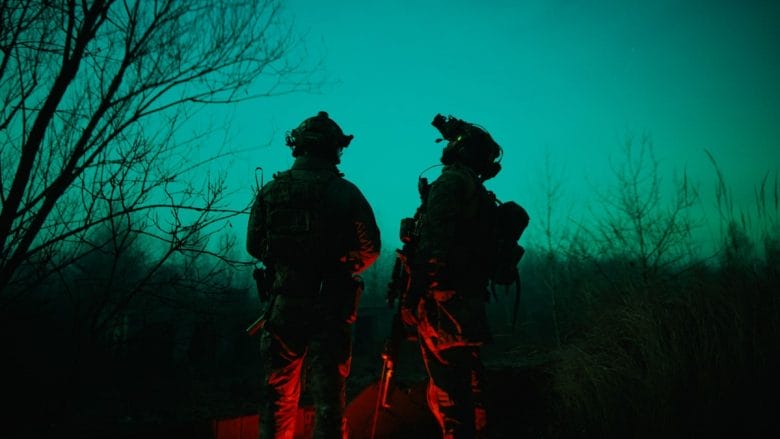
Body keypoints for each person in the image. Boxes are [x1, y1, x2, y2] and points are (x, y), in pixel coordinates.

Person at [246, 111, 381, 438]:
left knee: (277, 395)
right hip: (330, 307)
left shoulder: (270, 191)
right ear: (334, 148)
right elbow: (370, 249)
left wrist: (288, 265)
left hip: (284, 307)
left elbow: (254, 245)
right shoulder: (345, 192)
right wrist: (341, 267)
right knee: (329, 400)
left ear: (298, 146)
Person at [402, 114, 505, 439]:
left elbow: (435, 246)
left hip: (444, 302)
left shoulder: (452, 183)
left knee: (449, 394)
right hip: (465, 301)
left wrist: (413, 295)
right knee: (469, 385)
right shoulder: (474, 187)